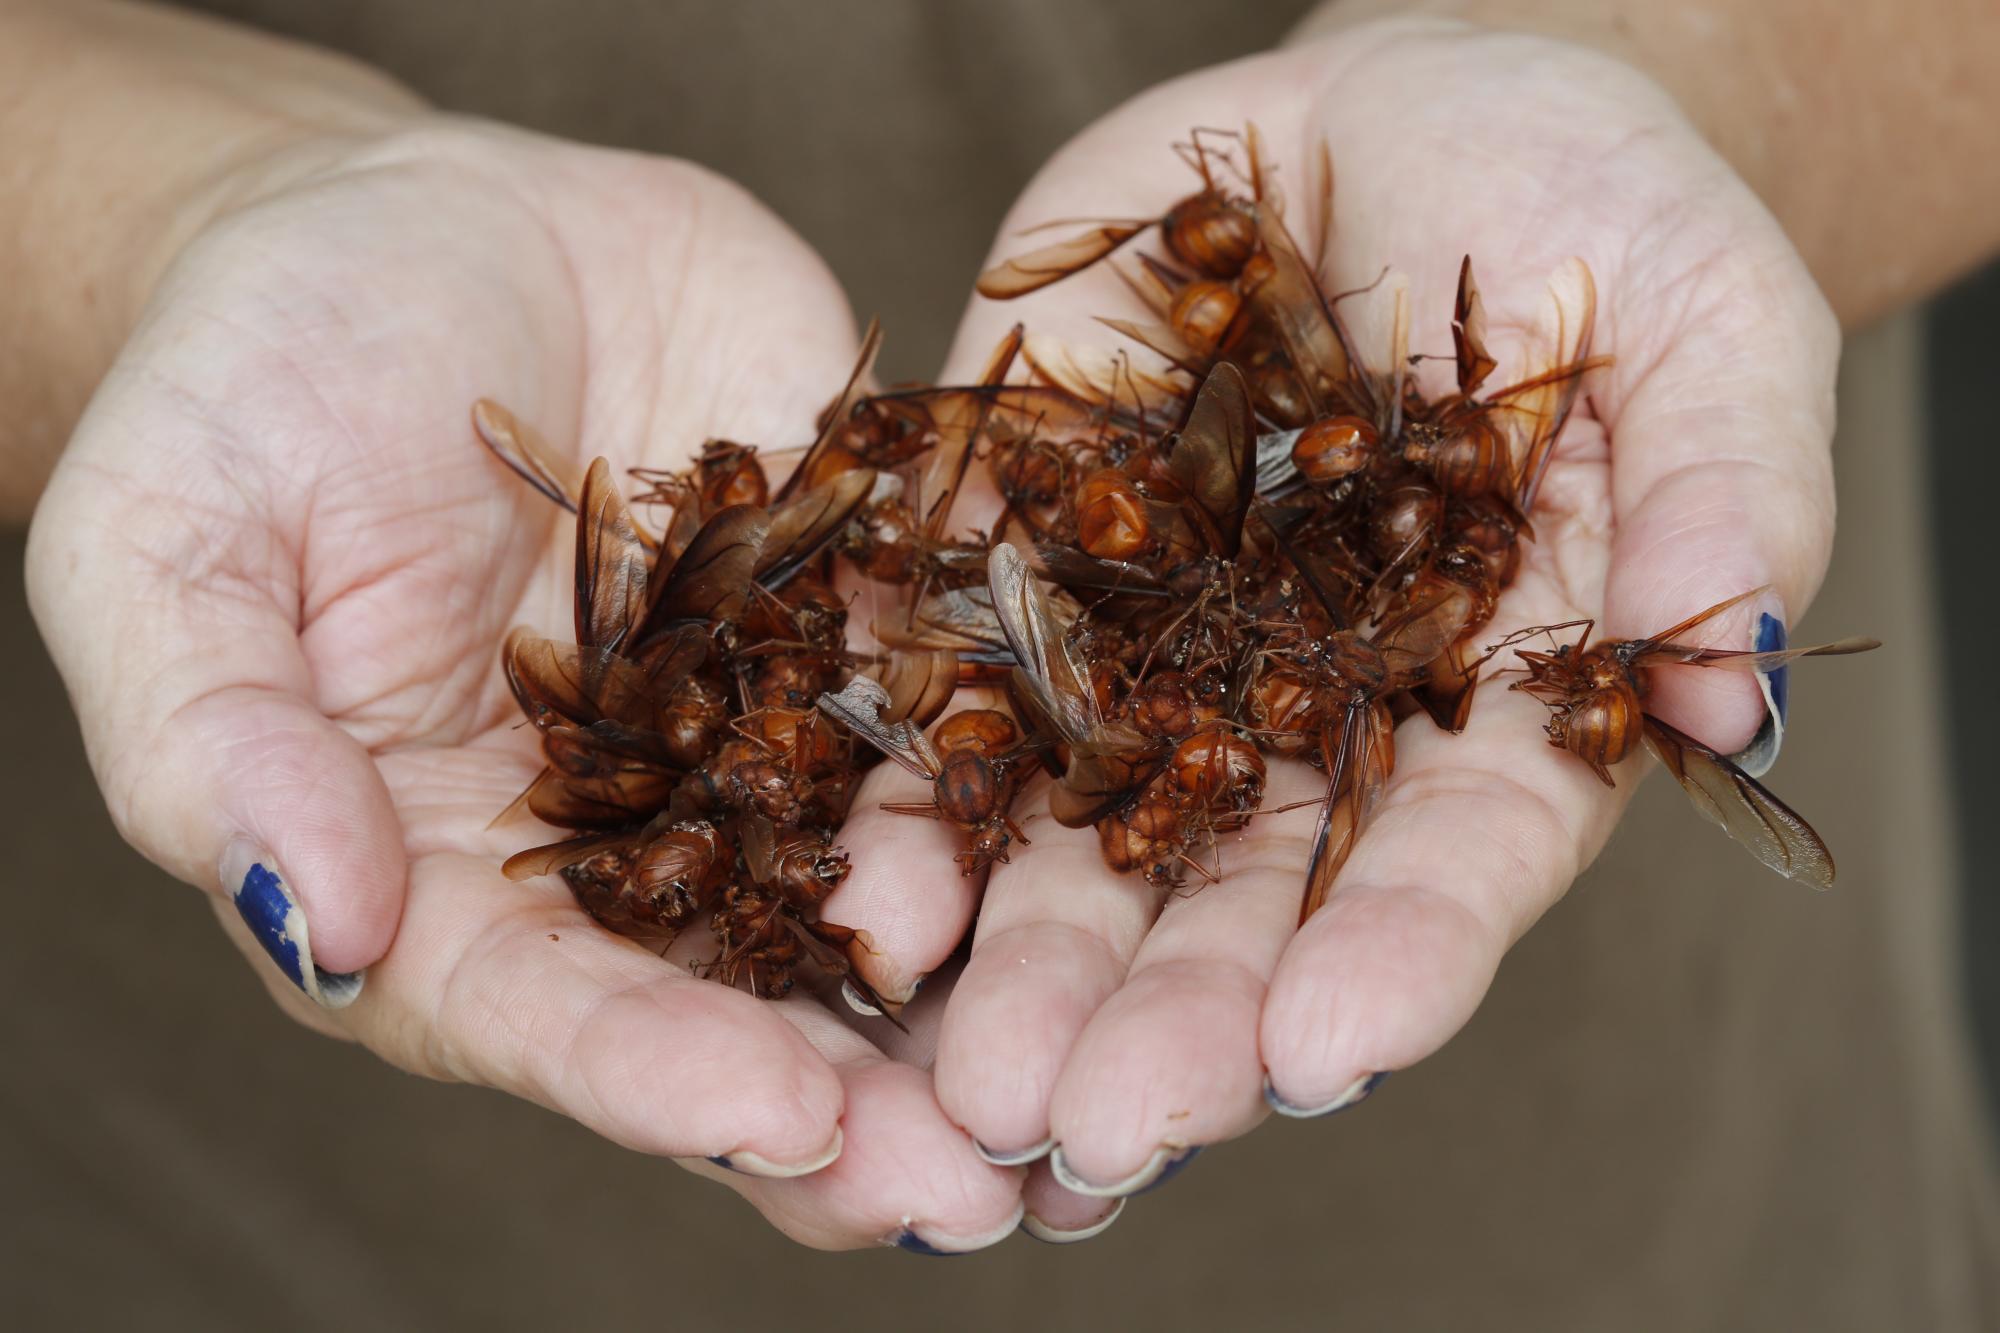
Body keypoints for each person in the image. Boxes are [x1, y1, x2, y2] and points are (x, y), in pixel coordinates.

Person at [4, 0, 1995, 1314]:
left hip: (1628, 1197)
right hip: (255, 1212)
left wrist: (1699, 88)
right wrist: (171, 214)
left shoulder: (1315, 563)